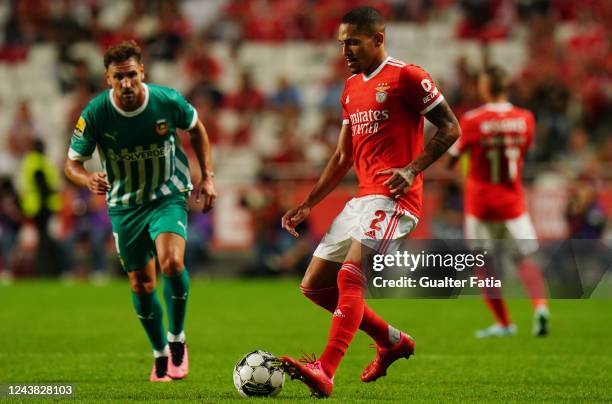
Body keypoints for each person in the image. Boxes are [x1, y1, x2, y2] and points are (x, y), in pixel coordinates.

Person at [280, 7, 461, 398]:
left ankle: (325, 370)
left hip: (396, 199)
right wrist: (309, 202)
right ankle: (392, 341)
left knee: (350, 277)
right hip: (361, 200)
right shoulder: (350, 88)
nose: (345, 50)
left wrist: (413, 169)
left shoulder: (407, 76)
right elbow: (342, 157)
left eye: (353, 42)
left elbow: (451, 127)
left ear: (378, 39)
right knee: (313, 287)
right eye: (342, 43)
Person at [64, 40, 217, 382]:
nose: (127, 83)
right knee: (142, 284)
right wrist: (86, 178)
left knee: (172, 263)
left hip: (168, 194)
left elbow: (196, 129)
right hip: (125, 205)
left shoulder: (166, 100)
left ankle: (177, 340)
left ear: (142, 72)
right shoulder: (95, 114)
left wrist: (207, 177)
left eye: (132, 75)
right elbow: (72, 163)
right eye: (119, 77)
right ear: (108, 78)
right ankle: (159, 353)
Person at [448, 65, 550, 338]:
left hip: (481, 203)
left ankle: (504, 323)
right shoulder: (526, 118)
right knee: (523, 258)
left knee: (484, 264)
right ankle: (540, 308)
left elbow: (452, 158)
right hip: (513, 202)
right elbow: (524, 152)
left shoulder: (473, 119)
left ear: (485, 87)